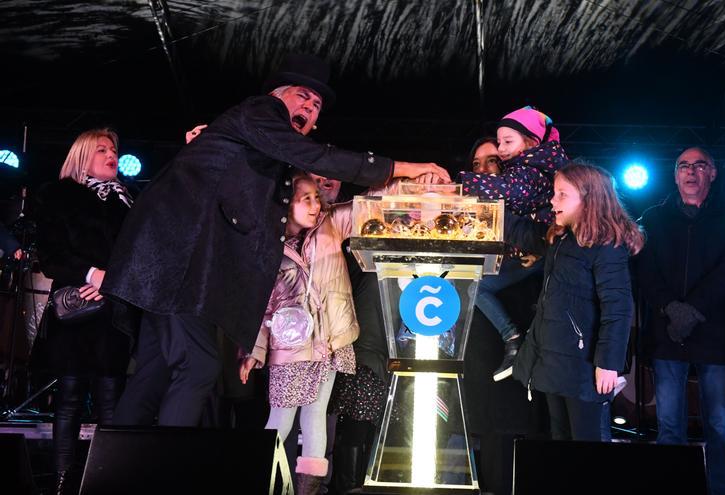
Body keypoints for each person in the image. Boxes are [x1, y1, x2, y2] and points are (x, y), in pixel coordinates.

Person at [104, 54, 448, 427]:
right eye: (303, 97)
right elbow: (319, 159)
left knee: (153, 371)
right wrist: (407, 168)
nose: (309, 108)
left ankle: (115, 470)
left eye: (316, 106)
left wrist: (403, 189)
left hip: (167, 261)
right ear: (276, 95)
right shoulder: (259, 111)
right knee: (198, 366)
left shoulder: (268, 159)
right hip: (174, 260)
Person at [239, 173, 367, 494]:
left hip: (328, 342)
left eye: (315, 197)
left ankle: (308, 489)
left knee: (315, 415)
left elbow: (365, 207)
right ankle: (261, 481)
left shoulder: (330, 224)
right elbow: (262, 307)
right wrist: (254, 351)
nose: (314, 204)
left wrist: (403, 177)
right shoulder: (268, 247)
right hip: (290, 346)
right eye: (304, 198)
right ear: (285, 203)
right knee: (281, 417)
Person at [638, 147, 725, 495]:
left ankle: (722, 491)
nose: (691, 171)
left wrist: (693, 309)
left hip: (714, 333)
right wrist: (672, 308)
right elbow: (645, 271)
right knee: (669, 424)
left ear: (712, 174)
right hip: (667, 333)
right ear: (674, 176)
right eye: (683, 165)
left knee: (717, 423)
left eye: (700, 165)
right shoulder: (653, 218)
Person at [506, 161, 642, 441]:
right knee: (561, 441)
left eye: (562, 194)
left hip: (585, 369)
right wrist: (483, 210)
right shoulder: (562, 239)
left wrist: (608, 363)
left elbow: (618, 308)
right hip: (556, 365)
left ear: (588, 198)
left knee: (586, 444)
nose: (553, 201)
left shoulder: (607, 248)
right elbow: (523, 232)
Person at [32, 128, 134, 493]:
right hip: (74, 311)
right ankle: (61, 481)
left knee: (111, 398)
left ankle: (107, 481)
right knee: (69, 398)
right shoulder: (60, 196)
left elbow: (141, 255)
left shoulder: (126, 200)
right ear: (82, 156)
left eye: (114, 150)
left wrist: (113, 280)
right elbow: (50, 255)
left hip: (112, 314)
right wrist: (92, 274)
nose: (112, 155)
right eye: (102, 149)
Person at [460, 107, 568, 381]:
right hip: (526, 256)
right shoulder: (522, 169)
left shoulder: (531, 171)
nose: (502, 149)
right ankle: (513, 339)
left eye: (507, 143)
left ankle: (514, 339)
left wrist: (455, 186)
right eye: (501, 142)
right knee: (473, 285)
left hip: (546, 255)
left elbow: (509, 195)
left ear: (531, 142)